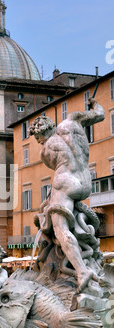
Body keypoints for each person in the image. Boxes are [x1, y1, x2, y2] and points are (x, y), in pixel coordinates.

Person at [29, 97, 105, 292]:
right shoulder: (71, 121)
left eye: (37, 139)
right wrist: (94, 104)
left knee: (61, 229)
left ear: (39, 137)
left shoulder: (44, 151)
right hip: (85, 181)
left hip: (65, 182)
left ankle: (81, 271)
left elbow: (58, 171)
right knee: (50, 210)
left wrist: (49, 200)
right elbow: (101, 114)